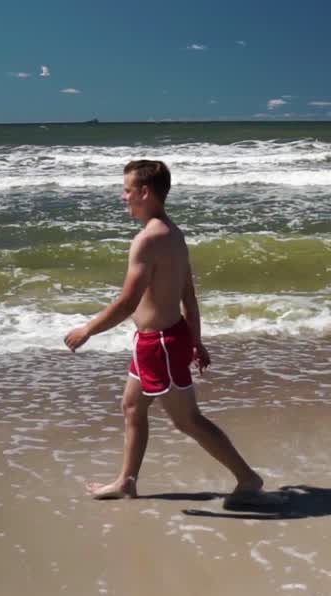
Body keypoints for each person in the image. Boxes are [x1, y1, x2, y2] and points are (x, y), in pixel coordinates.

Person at [64, 160, 283, 509]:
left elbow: (127, 302)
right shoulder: (173, 233)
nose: (123, 198)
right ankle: (126, 482)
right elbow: (188, 295)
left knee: (188, 420)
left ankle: (247, 477)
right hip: (162, 341)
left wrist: (87, 329)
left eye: (126, 190)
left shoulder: (147, 240)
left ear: (145, 192)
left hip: (161, 345)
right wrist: (196, 340)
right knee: (133, 406)